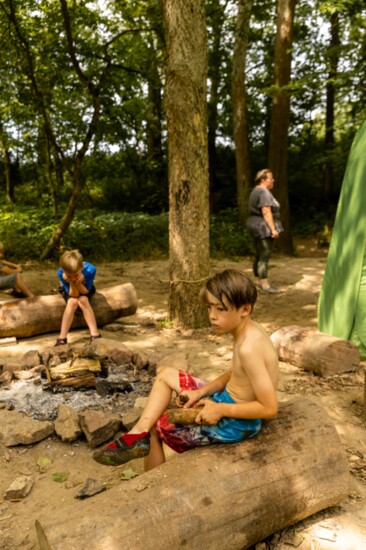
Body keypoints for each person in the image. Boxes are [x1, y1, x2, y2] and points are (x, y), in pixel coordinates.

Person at [93, 269, 279, 470]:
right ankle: (137, 432)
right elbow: (234, 373)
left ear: (244, 309)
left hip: (237, 423)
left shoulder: (249, 348)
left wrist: (221, 409)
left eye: (221, 309)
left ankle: (153, 487)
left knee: (157, 428)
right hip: (226, 401)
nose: (212, 316)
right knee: (166, 375)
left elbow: (269, 408)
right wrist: (200, 392)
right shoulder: (246, 331)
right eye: (209, 307)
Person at [247, 168, 283, 294]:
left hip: (254, 224)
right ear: (263, 180)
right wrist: (273, 229)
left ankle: (258, 283)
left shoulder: (255, 191)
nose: (273, 180)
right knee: (264, 256)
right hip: (262, 226)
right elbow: (266, 211)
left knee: (259, 254)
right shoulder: (264, 192)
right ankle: (265, 286)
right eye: (270, 178)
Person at [55, 249, 100, 346]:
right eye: (69, 275)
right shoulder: (60, 273)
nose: (73, 277)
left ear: (82, 267)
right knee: (72, 302)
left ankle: (95, 334)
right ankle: (62, 337)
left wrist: (78, 282)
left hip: (85, 288)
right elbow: (73, 294)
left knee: (83, 299)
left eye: (76, 275)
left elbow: (85, 291)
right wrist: (71, 281)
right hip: (70, 291)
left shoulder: (90, 270)